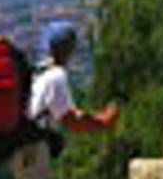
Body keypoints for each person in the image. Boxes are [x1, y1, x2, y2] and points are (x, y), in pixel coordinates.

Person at [8, 21, 119, 179]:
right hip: (33, 148)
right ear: (70, 49)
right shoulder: (57, 76)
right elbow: (73, 120)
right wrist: (104, 121)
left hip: (17, 145)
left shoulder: (38, 71)